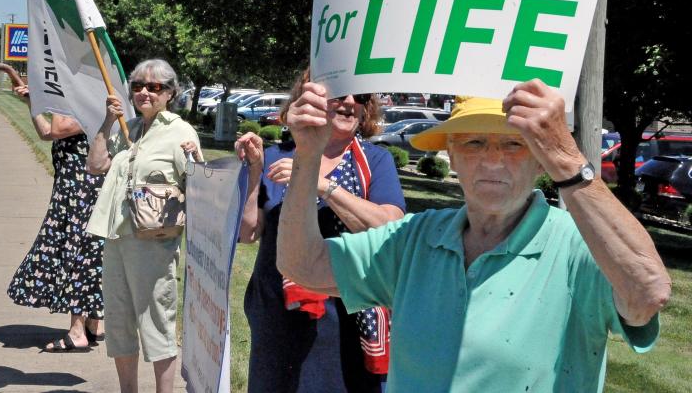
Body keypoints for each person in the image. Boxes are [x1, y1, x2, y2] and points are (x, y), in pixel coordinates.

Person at [277, 79, 672, 392]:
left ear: (540, 158)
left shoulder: (578, 247)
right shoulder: (418, 238)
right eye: (474, 141)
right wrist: (308, 156)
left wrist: (568, 161)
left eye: (515, 143)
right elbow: (303, 266)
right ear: (451, 152)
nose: (492, 160)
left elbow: (647, 293)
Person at [235, 69, 405, 393]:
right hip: (279, 317)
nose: (350, 103)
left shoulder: (376, 161)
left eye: (361, 98)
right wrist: (255, 172)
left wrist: (321, 184)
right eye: (340, 94)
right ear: (311, 97)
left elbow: (390, 228)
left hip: (349, 316)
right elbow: (247, 233)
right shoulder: (276, 155)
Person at [86, 58, 202, 393]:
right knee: (119, 324)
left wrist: (195, 159)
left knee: (156, 324)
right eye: (138, 86)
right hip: (117, 238)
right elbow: (96, 166)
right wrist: (108, 121)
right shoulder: (129, 128)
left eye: (154, 87)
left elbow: (201, 187)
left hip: (153, 245)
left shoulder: (180, 132)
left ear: (170, 93)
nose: (144, 93)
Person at [6, 84, 105, 352]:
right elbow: (47, 132)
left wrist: (55, 92)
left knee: (80, 252)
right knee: (83, 251)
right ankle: (93, 324)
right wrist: (32, 103)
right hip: (69, 188)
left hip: (83, 189)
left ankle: (77, 332)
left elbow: (59, 129)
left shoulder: (91, 102)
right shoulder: (81, 102)